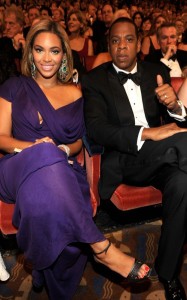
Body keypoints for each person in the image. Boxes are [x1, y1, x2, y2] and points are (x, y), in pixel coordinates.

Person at [0, 19, 151, 298]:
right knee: (44, 150)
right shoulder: (13, 86)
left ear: (64, 55)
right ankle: (101, 248)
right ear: (30, 53)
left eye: (54, 51)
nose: (47, 58)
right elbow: (1, 138)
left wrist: (62, 151)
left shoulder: (75, 92)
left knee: (54, 196)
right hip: (16, 167)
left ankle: (45, 271)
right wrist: (35, 147)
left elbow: (78, 141)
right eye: (39, 50)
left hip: (63, 169)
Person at [82, 17, 187, 300]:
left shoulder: (157, 70)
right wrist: (147, 133)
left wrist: (175, 104)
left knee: (182, 183)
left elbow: (179, 116)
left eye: (128, 39)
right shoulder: (94, 79)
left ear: (138, 42)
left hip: (167, 160)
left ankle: (168, 273)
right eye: (115, 41)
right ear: (109, 44)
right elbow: (96, 129)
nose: (122, 47)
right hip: (127, 160)